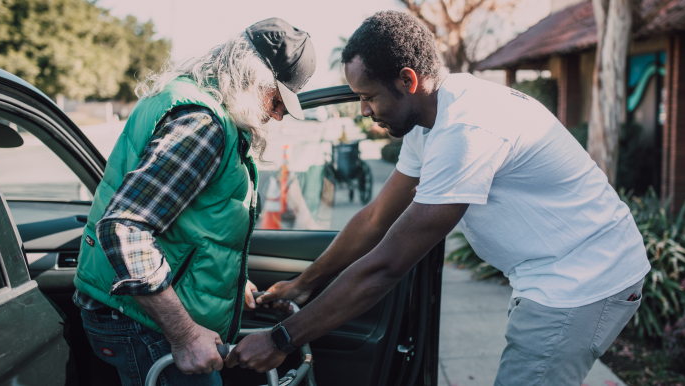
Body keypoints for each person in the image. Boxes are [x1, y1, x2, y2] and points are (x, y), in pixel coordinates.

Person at [230, 11, 651, 386]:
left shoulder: (466, 129)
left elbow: (387, 265)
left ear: (408, 80)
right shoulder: (430, 121)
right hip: (550, 273)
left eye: (368, 96)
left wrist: (281, 339)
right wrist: (305, 284)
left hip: (585, 279)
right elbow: (377, 218)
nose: (363, 110)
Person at [72, 18, 316, 386]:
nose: (279, 114)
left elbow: (189, 220)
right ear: (253, 77)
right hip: (144, 323)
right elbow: (125, 228)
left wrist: (229, 281)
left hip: (136, 312)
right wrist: (185, 335)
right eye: (277, 98)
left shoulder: (189, 99)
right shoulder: (203, 124)